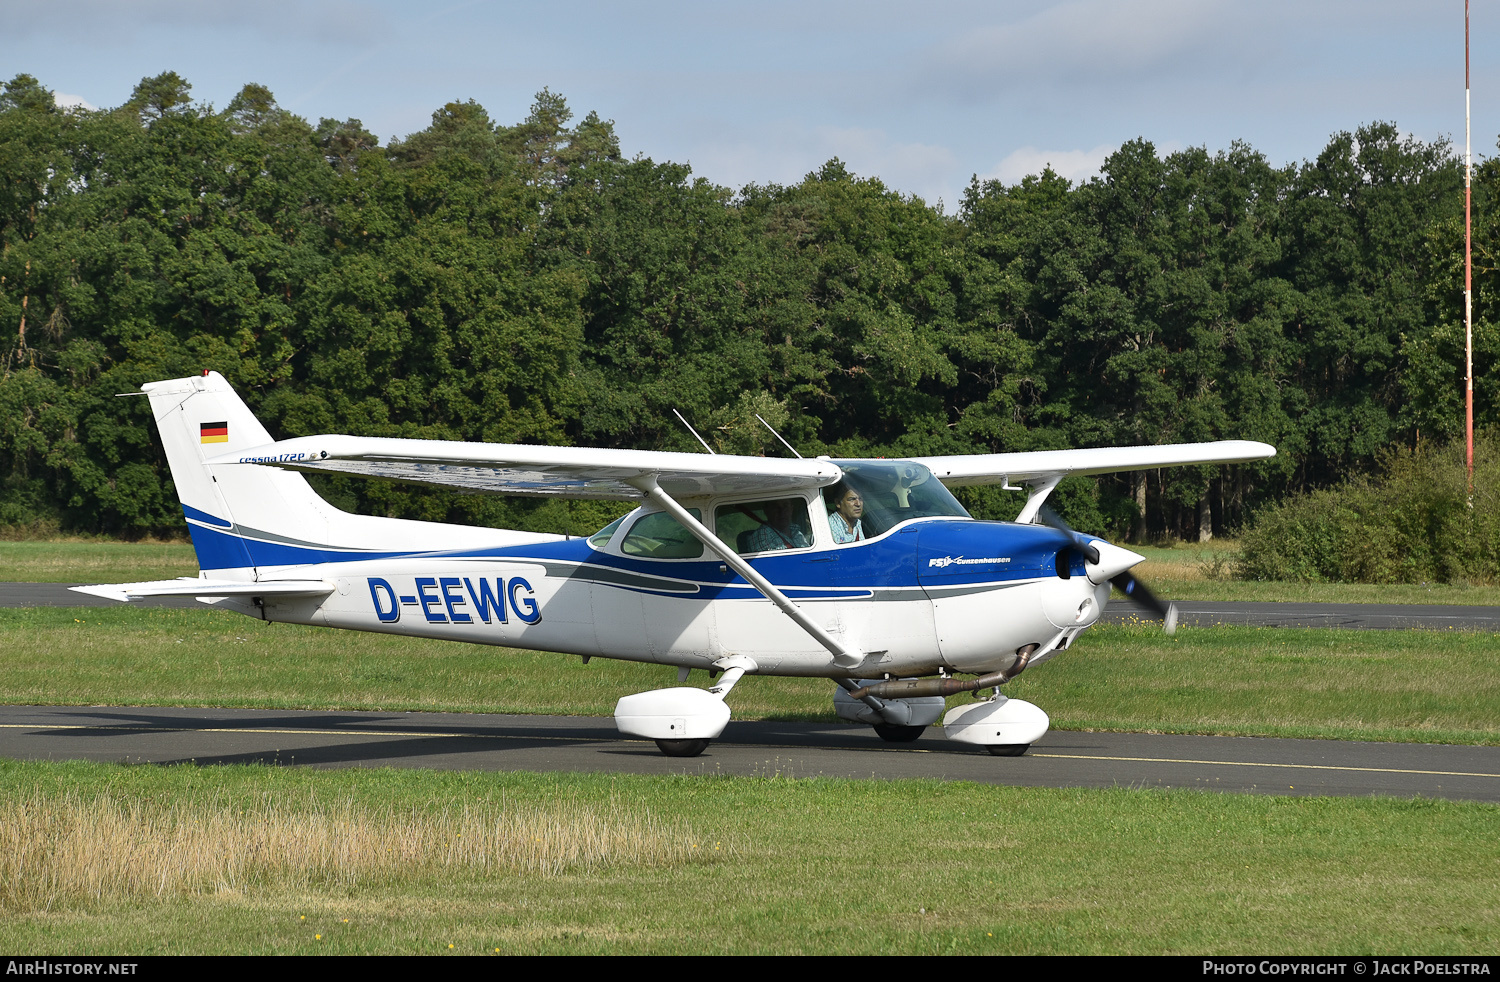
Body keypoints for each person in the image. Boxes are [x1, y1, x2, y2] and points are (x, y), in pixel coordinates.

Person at [745, 498, 811, 552]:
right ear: (766, 511)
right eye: (775, 507)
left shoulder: (796, 532)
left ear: (791, 509)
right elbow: (771, 564)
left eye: (785, 506)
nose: (782, 512)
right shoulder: (763, 533)